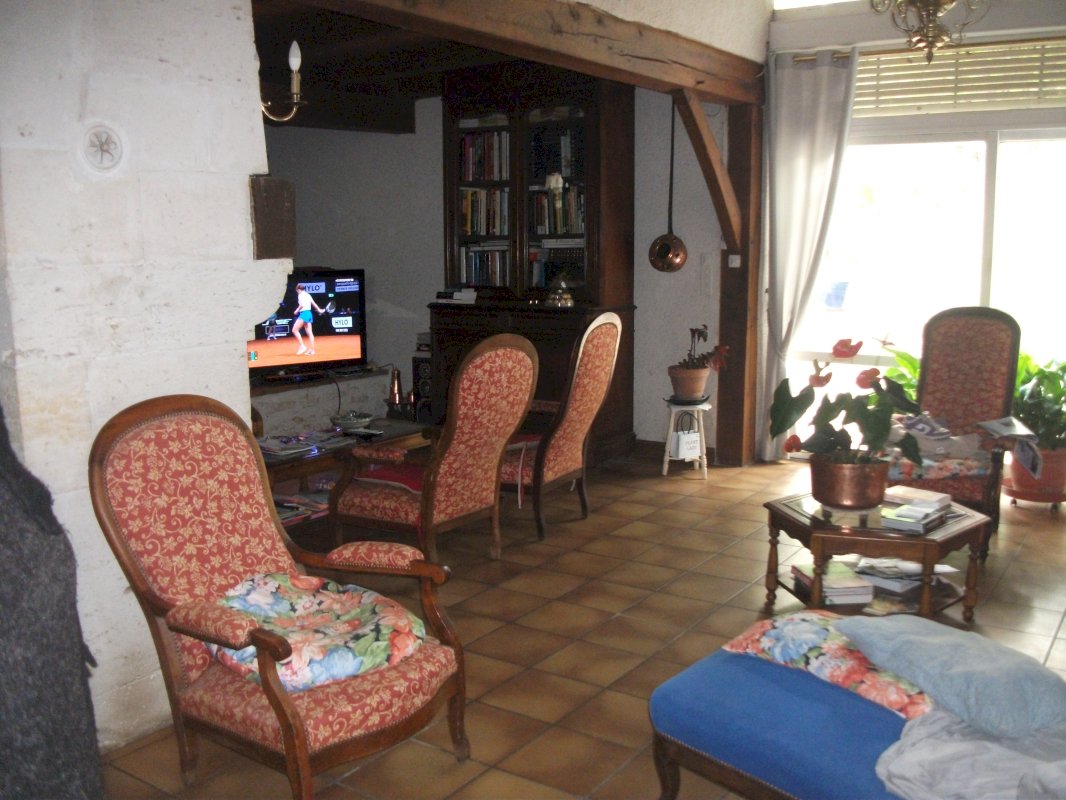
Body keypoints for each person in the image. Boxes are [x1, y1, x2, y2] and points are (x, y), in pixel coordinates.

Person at [292, 283, 324, 355]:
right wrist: (319, 310)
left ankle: (302, 346)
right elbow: (314, 304)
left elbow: (302, 305)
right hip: (309, 314)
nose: (297, 292)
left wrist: (296, 311)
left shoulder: (300, 295)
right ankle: (312, 350)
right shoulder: (308, 295)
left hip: (304, 314)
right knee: (310, 333)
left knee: (294, 330)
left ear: (298, 289)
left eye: (297, 290)